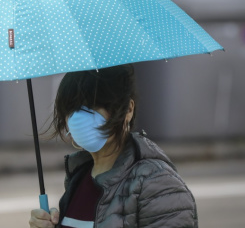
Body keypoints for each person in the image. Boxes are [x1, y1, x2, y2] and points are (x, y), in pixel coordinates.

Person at [29, 65, 198, 228]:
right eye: (73, 107)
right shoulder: (79, 177)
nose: (79, 117)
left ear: (128, 110)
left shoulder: (157, 184)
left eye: (93, 105)